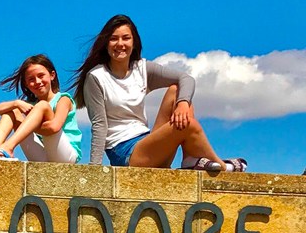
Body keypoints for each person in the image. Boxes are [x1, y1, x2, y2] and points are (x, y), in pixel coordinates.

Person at [73, 14, 247, 171]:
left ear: (134, 43)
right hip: (125, 152)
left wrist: (183, 103)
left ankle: (189, 158)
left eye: (126, 38)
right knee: (189, 124)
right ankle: (224, 167)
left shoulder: (142, 68)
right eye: (113, 39)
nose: (120, 44)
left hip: (147, 141)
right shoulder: (96, 77)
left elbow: (186, 79)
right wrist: (94, 169)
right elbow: (99, 125)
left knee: (177, 91)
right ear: (106, 44)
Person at [0, 54, 82, 162]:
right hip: (42, 156)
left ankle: (8, 147)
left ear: (52, 75)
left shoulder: (63, 99)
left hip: (65, 156)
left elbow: (54, 127)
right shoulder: (30, 105)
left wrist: (26, 125)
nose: (37, 82)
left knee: (43, 105)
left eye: (41, 76)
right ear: (26, 84)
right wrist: (16, 103)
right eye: (31, 79)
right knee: (13, 110)